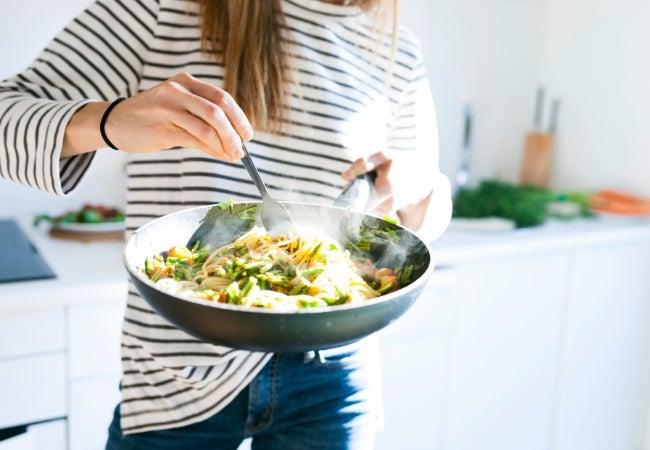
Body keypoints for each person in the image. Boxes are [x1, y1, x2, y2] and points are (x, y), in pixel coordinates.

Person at [0, 0, 452, 448]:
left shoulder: (398, 51)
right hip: (176, 375)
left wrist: (420, 186)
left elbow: (423, 220)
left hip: (332, 376)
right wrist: (108, 121)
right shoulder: (159, 8)